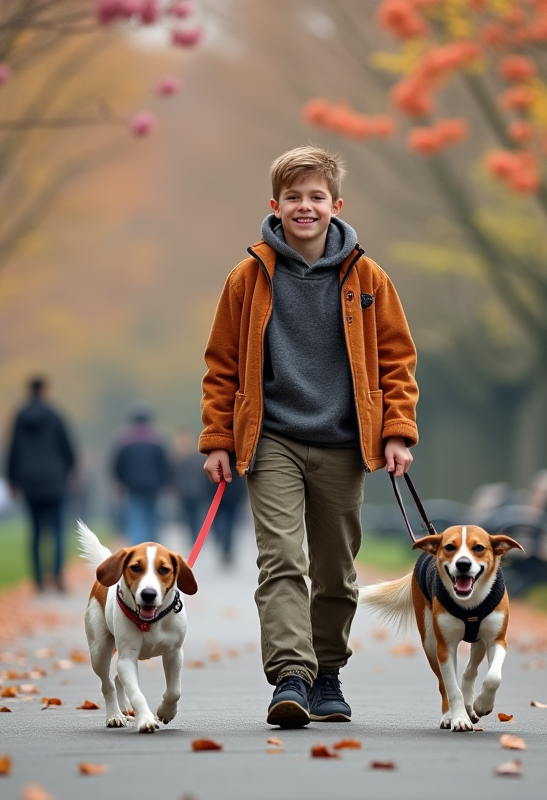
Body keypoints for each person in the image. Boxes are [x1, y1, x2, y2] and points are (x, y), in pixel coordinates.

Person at [199, 146, 418, 728]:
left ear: (335, 205)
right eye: (293, 197)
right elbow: (221, 365)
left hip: (344, 442)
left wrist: (396, 431)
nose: (305, 207)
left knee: (336, 569)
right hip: (272, 440)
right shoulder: (248, 278)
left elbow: (397, 359)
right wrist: (219, 438)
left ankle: (327, 675)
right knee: (281, 560)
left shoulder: (368, 279)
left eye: (315, 197)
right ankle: (290, 676)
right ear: (275, 206)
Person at [5, 376, 77, 594]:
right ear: (44, 390)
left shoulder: (19, 417)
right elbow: (68, 450)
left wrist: (12, 480)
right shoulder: (55, 416)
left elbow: (12, 450)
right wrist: (68, 473)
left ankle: (38, 579)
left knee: (35, 531)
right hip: (54, 481)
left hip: (30, 482)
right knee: (57, 531)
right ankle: (56, 575)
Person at [111, 404, 171, 545]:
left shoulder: (125, 440)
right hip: (154, 484)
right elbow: (164, 464)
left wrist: (120, 481)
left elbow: (118, 464)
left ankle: (138, 544)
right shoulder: (157, 439)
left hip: (132, 485)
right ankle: (153, 543)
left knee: (136, 516)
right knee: (153, 515)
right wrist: (166, 482)